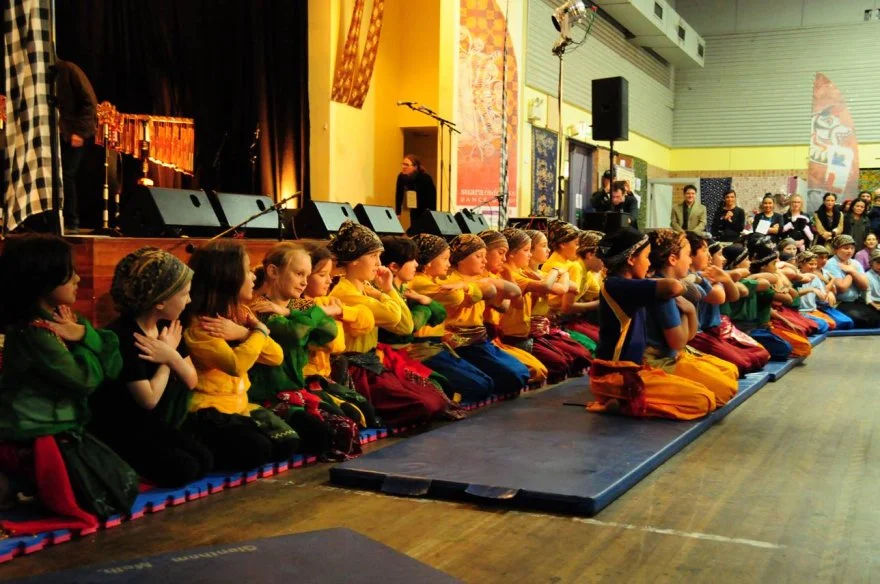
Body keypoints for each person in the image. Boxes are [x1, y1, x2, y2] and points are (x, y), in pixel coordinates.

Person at [0, 235, 138, 533]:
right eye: (69, 272)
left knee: (121, 486)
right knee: (102, 498)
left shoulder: (63, 319)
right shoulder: (34, 332)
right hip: (34, 432)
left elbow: (113, 366)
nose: (78, 278)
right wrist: (84, 341)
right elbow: (87, 380)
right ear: (45, 278)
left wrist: (81, 335)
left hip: (64, 428)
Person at [90, 248, 214, 488]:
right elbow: (148, 399)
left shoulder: (168, 328)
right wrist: (167, 362)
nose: (189, 300)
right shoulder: (124, 336)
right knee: (183, 469)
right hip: (124, 430)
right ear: (160, 302)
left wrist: (170, 355)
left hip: (153, 425)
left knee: (205, 460)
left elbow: (192, 380)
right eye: (185, 294)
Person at [183, 241, 300, 471]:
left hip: (241, 406)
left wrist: (246, 332)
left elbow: (276, 356)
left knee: (288, 443)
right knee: (257, 449)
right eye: (247, 271)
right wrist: (259, 331)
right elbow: (236, 364)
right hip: (209, 411)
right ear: (228, 278)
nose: (253, 277)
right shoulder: (202, 325)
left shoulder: (240, 314)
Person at [586, 227, 717, 420]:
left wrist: (689, 304)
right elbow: (672, 286)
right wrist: (690, 280)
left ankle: (622, 402)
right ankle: (622, 403)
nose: (649, 263)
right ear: (631, 259)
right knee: (702, 399)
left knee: (705, 393)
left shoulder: (627, 284)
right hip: (615, 376)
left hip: (632, 371)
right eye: (646, 257)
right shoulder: (617, 285)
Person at [327, 221, 449, 427]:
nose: (378, 263)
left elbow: (404, 326)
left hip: (373, 363)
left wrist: (386, 290)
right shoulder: (345, 293)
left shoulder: (365, 288)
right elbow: (395, 318)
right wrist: (388, 290)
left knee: (437, 398)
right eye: (373, 256)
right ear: (354, 261)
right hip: (356, 369)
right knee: (424, 405)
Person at [56, 60, 98, 234]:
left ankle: (71, 221)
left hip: (73, 132)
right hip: (57, 133)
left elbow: (90, 102)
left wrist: (79, 132)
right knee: (56, 176)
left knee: (66, 174)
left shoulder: (69, 70)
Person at [822, 234, 880, 328]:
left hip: (857, 301)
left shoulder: (855, 263)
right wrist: (851, 272)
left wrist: (852, 270)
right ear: (836, 250)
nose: (850, 251)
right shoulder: (831, 264)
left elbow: (865, 286)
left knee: (876, 317)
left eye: (852, 248)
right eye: (846, 248)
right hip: (840, 303)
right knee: (860, 318)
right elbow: (842, 288)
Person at [395, 154, 437, 229]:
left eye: (407, 165)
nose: (403, 167)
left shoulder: (425, 178)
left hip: (426, 209)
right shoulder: (401, 177)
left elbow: (432, 198)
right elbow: (399, 195)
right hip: (413, 208)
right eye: (403, 164)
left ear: (415, 167)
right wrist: (398, 213)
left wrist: (431, 215)